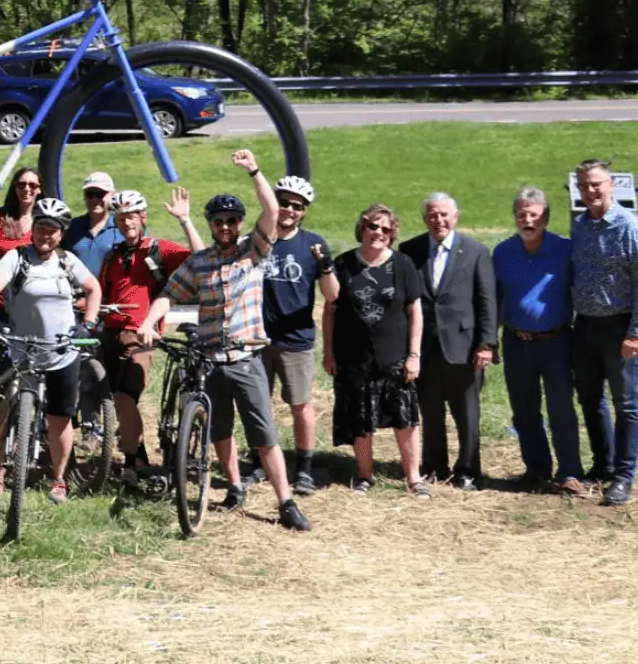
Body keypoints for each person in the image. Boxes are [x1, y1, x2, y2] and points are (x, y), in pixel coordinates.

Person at [136, 149, 311, 531]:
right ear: (212, 225)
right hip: (209, 358)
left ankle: (286, 501)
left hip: (247, 358)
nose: (227, 226)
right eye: (220, 221)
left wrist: (254, 170)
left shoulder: (254, 251)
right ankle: (234, 486)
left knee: (263, 433)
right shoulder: (200, 263)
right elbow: (168, 293)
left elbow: (270, 209)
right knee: (219, 430)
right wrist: (151, 322)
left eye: (233, 220)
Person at [0, 196, 102, 503]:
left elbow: (93, 288)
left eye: (54, 230)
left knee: (60, 418)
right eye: (42, 227)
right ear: (34, 230)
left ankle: (58, 480)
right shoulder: (17, 258)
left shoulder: (68, 261)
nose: (47, 235)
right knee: (5, 413)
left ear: (61, 233)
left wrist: (90, 323)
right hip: (21, 350)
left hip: (61, 351)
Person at [94, 186, 202, 478]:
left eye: (131, 217)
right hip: (110, 334)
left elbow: (201, 258)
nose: (126, 223)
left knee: (125, 397)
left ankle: (131, 462)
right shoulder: (113, 256)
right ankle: (138, 455)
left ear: (143, 217)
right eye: (120, 218)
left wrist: (185, 220)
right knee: (116, 401)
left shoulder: (158, 249)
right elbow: (102, 293)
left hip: (141, 335)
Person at [323, 203, 428, 495]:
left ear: (392, 234)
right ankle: (365, 475)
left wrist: (414, 355)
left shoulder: (403, 264)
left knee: (405, 419)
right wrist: (328, 352)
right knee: (361, 420)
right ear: (362, 228)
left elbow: (414, 311)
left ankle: (414, 478)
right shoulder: (343, 265)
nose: (378, 233)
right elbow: (330, 310)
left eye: (385, 229)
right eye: (372, 226)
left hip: (394, 358)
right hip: (354, 360)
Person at [569, 159, 638, 506]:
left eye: (596, 185)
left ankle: (623, 476)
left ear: (611, 185)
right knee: (590, 400)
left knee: (626, 405)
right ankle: (603, 464)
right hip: (585, 326)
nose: (590, 191)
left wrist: (636, 333)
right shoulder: (580, 226)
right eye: (584, 186)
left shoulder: (629, 227)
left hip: (620, 328)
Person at [398, 192, 497, 490]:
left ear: (455, 217)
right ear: (424, 217)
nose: (438, 220)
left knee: (467, 415)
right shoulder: (409, 250)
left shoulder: (476, 251)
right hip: (424, 349)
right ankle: (434, 466)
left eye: (444, 214)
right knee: (430, 411)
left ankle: (468, 470)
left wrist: (487, 343)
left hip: (464, 348)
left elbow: (487, 300)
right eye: (432, 214)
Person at [493, 186, 585, 496]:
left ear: (545, 216)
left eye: (534, 214)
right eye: (522, 215)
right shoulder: (503, 252)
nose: (527, 220)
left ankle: (570, 472)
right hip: (516, 342)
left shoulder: (565, 249)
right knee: (524, 410)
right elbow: (494, 298)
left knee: (561, 408)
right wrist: (488, 340)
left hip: (556, 341)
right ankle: (537, 468)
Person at [257, 175, 338, 494]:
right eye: (284, 202)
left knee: (301, 405)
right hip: (257, 339)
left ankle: (304, 467)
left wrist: (327, 267)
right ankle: (259, 463)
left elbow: (332, 297)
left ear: (304, 212)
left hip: (296, 340)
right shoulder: (259, 239)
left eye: (297, 206)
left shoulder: (312, 244)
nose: (289, 209)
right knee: (257, 405)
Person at [63, 172, 123, 272]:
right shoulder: (72, 227)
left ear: (113, 195)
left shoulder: (123, 227)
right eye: (89, 194)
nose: (94, 199)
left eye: (100, 194)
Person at [0, 169, 42, 257]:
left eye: (32, 185)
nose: (27, 189)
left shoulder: (45, 220)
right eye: (21, 184)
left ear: (39, 189)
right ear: (15, 188)